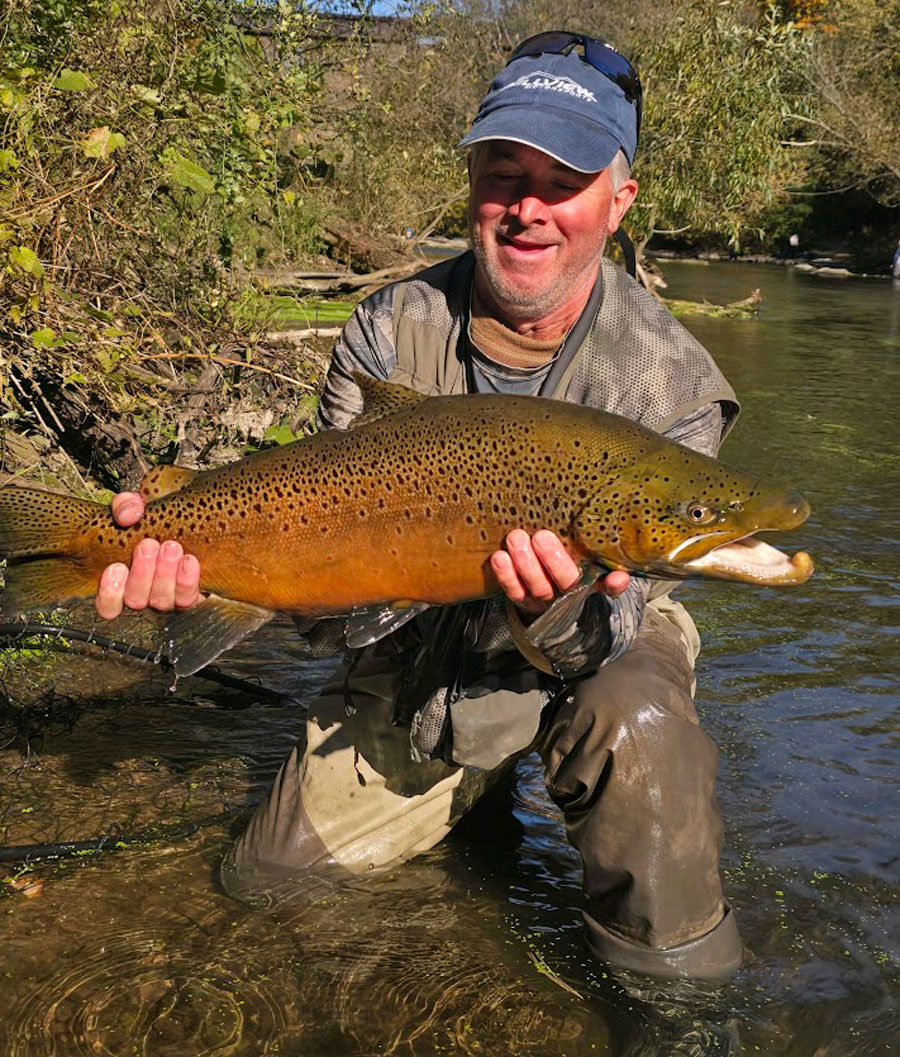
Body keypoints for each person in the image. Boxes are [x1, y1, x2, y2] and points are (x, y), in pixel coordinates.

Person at [94, 33, 744, 981]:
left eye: (561, 180)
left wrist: (549, 611)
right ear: (472, 180)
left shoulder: (673, 382)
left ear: (620, 198)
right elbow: (334, 605)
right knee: (263, 884)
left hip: (601, 638)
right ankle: (468, 797)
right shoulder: (388, 332)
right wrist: (200, 570)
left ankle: (679, 1001)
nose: (526, 208)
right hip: (414, 646)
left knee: (638, 721)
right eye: (502, 172)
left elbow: (619, 618)